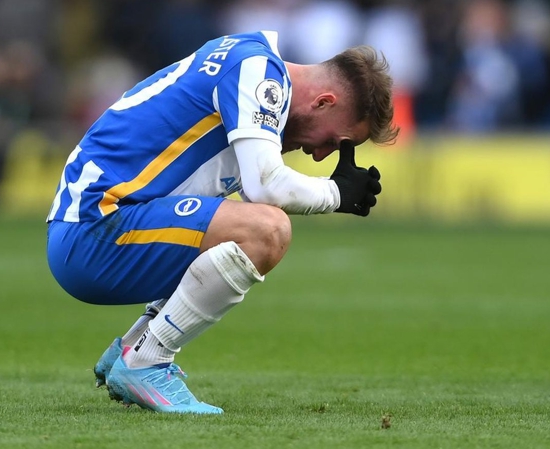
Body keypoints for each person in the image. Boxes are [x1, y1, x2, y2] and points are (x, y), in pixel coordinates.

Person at [46, 30, 398, 414]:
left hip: (90, 227)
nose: (320, 156)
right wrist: (335, 194)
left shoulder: (250, 59)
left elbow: (248, 196)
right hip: (95, 229)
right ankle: (148, 362)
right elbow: (266, 187)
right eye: (335, 140)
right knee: (268, 231)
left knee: (238, 230)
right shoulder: (257, 70)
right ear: (324, 101)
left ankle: (134, 348)